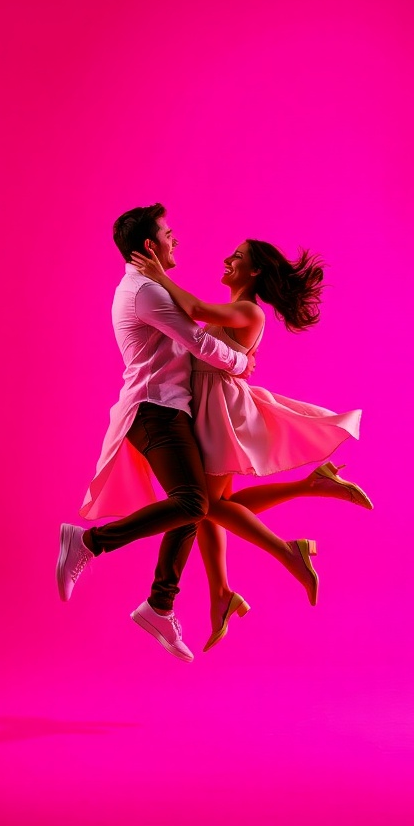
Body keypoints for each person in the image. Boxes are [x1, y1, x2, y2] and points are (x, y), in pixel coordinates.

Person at [57, 205, 319, 664]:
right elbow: (198, 336)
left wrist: (235, 361)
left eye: (236, 256)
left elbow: (198, 323)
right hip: (159, 408)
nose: (178, 241)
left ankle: (163, 604)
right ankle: (91, 544)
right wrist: (241, 363)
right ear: (150, 247)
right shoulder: (146, 291)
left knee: (200, 506)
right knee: (199, 504)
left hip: (195, 408)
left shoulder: (163, 290)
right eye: (169, 235)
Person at [131, 239, 372, 650]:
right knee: (211, 507)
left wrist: (158, 277)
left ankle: (287, 552)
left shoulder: (249, 310)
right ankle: (223, 591)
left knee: (205, 506)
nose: (227, 260)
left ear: (255, 272)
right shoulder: (240, 310)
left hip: (220, 411)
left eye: (237, 257)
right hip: (211, 406)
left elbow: (196, 311)